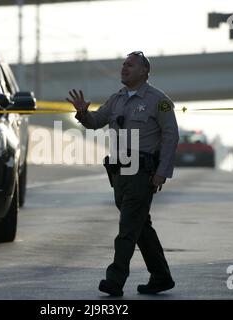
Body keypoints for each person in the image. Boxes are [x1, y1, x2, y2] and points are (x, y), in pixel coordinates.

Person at [66, 51, 179, 296]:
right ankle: (161, 276)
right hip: (119, 172)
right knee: (140, 226)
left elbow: (171, 136)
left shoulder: (158, 101)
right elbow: (96, 121)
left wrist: (162, 172)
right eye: (123, 64)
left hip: (142, 171)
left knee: (128, 228)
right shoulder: (116, 99)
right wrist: (83, 113)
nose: (124, 68)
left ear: (144, 72)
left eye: (130, 65)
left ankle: (115, 280)